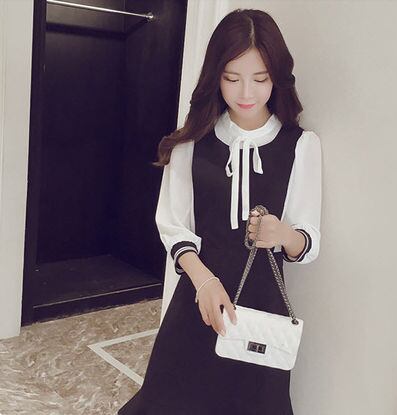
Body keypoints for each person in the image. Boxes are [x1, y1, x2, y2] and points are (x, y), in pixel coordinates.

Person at [118, 8, 322, 415]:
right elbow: (173, 225)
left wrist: (284, 235)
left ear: (276, 77)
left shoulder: (301, 145)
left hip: (261, 310)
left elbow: (309, 241)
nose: (246, 92)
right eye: (232, 78)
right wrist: (205, 282)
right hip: (198, 300)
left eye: (260, 79)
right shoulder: (191, 142)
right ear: (216, 76)